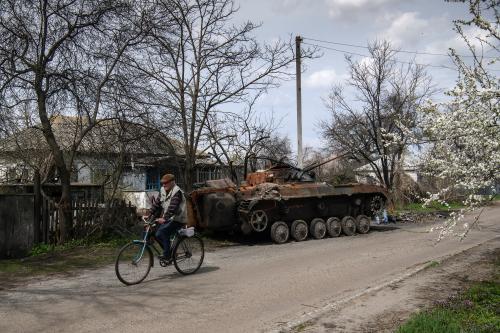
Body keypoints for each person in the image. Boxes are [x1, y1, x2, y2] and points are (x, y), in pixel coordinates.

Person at [151, 173, 187, 261]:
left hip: (178, 218)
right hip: (169, 218)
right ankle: (169, 251)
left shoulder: (176, 191)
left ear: (172, 182)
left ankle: (167, 255)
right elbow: (156, 204)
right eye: (163, 183)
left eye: (166, 182)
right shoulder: (163, 190)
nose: (164, 184)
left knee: (162, 232)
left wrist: (164, 218)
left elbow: (172, 208)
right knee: (155, 233)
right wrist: (149, 214)